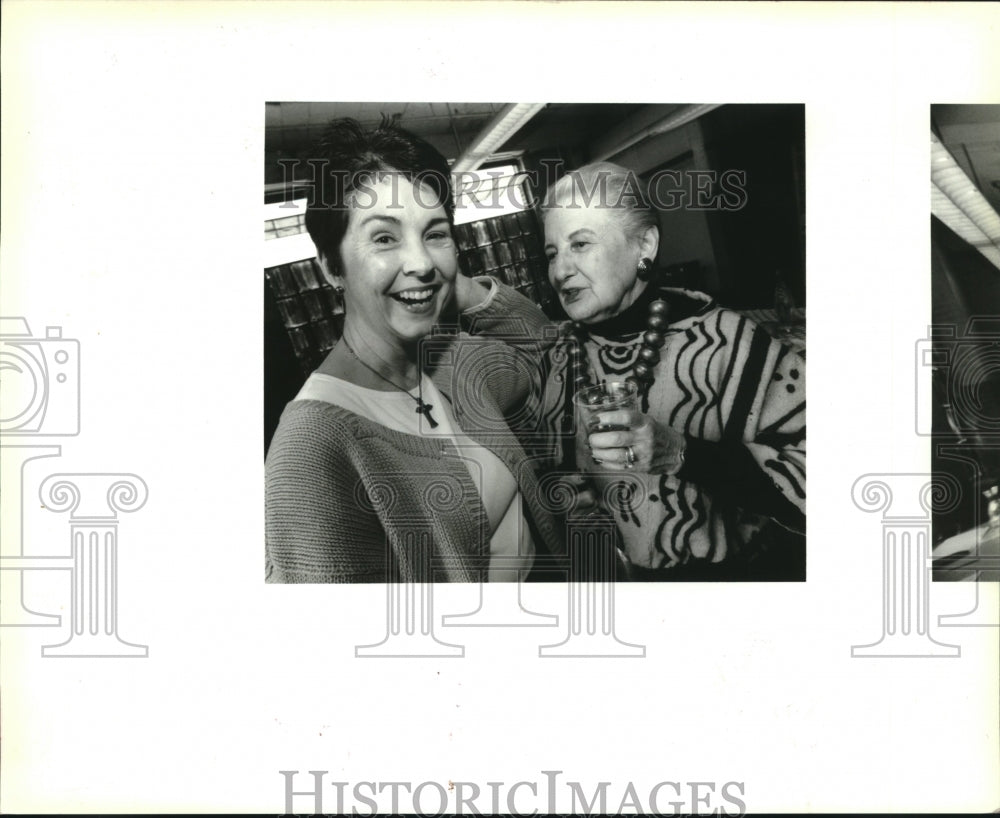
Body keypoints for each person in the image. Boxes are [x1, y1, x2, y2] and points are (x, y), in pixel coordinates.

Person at [265, 119, 563, 583]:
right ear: (330, 266)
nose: (420, 260)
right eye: (384, 238)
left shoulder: (453, 362)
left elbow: (545, 347)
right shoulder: (312, 447)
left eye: (435, 233)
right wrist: (421, 281)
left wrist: (448, 284)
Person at [539, 161, 806, 578]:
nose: (559, 271)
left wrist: (681, 453)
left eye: (580, 245)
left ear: (644, 245)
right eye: (551, 252)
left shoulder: (727, 342)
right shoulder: (562, 354)